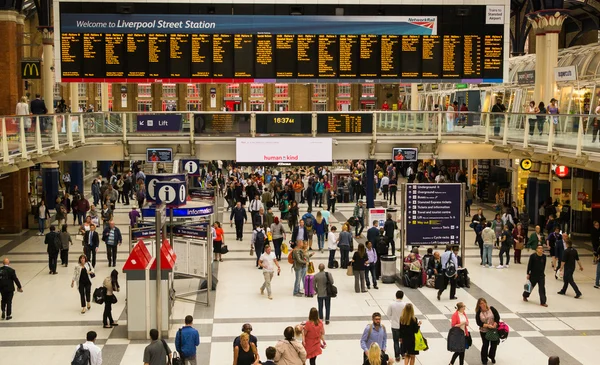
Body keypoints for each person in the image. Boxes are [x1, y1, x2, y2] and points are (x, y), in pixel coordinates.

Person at [475, 298, 500, 365]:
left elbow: (497, 317)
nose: (482, 304)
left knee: (494, 344)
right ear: (479, 305)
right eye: (481, 303)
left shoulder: (492, 309)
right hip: (484, 331)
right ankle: (484, 359)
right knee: (485, 345)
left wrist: (495, 323)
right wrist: (487, 325)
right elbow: (478, 322)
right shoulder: (478, 312)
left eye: (483, 303)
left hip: (493, 329)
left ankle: (492, 356)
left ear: (486, 303)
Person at [386, 290, 406, 362]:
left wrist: (393, 318)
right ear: (402, 296)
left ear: (396, 296)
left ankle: (397, 356)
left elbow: (388, 314)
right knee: (403, 340)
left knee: (396, 341)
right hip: (403, 325)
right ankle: (403, 353)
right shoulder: (405, 305)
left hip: (394, 326)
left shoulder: (392, 304)